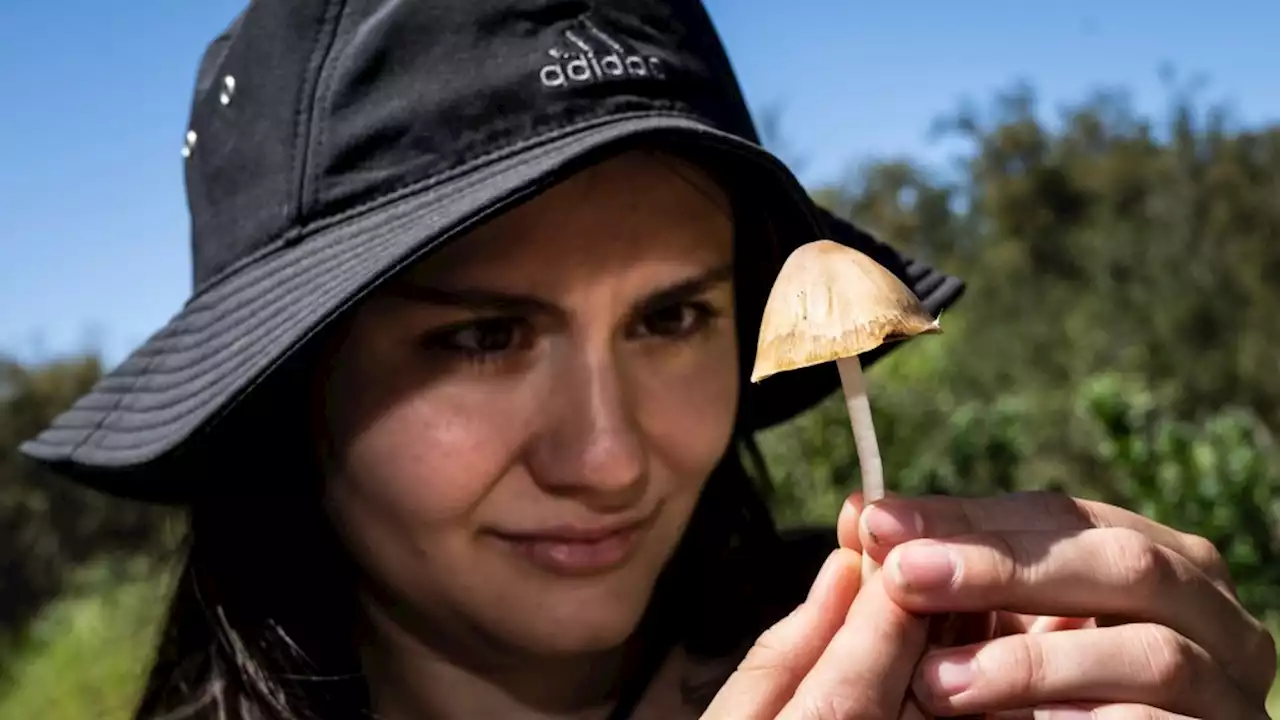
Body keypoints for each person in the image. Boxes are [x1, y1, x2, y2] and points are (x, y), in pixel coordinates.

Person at [22, 1, 1273, 718]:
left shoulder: (946, 674)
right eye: (481, 335)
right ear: (295, 390)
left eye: (672, 318)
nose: (610, 458)